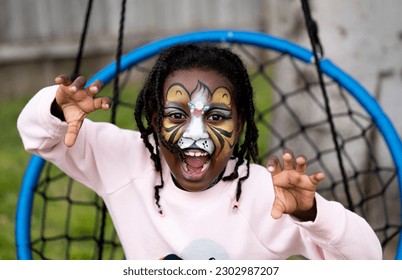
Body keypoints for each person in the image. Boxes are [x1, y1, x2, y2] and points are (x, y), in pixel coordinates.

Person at [17, 43, 382, 260]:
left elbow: (367, 261)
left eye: (217, 116)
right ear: (154, 119)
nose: (195, 135)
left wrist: (313, 213)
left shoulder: (268, 196)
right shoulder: (125, 160)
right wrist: (54, 109)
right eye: (176, 115)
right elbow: (35, 135)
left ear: (240, 126)